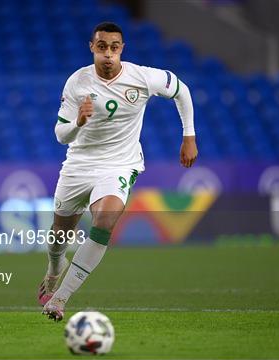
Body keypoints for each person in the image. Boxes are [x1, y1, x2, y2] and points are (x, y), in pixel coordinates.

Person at [39, 22, 198, 321]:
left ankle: (60, 299)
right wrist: (78, 123)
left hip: (119, 165)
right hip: (79, 165)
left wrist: (188, 135)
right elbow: (61, 134)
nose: (108, 54)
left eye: (114, 47)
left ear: (122, 49)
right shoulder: (77, 82)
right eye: (102, 47)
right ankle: (53, 271)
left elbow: (181, 89)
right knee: (60, 234)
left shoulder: (142, 77)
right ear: (92, 48)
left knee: (105, 222)